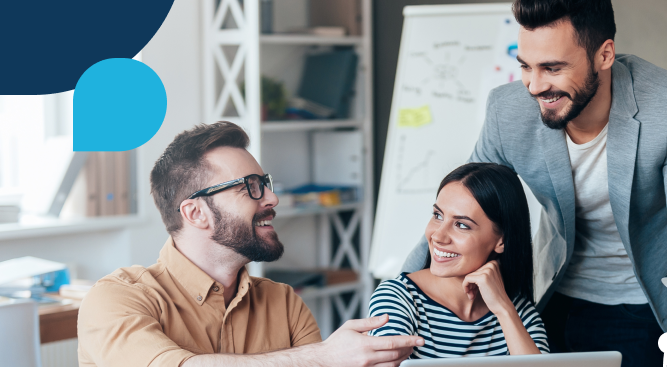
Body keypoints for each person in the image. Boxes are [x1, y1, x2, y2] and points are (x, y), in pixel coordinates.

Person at [402, 1, 667, 366]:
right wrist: (397, 296)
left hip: (641, 303)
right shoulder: (508, 111)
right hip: (552, 292)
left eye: (553, 68)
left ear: (604, 54)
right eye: (526, 67)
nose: (534, 85)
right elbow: (460, 207)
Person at [77, 121, 423, 367]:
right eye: (250, 187)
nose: (271, 197)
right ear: (196, 213)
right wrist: (322, 357)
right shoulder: (116, 299)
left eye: (265, 183)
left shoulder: (284, 304)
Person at [369, 163, 549, 358]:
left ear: (501, 240)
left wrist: (503, 310)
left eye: (462, 225)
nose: (438, 236)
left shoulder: (517, 311)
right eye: (438, 215)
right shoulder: (398, 298)